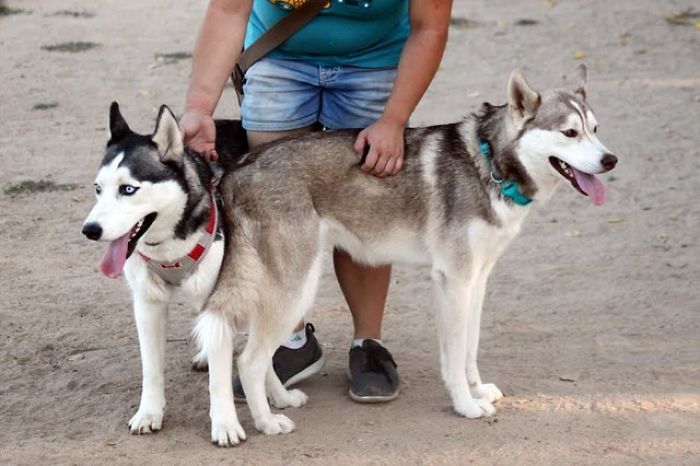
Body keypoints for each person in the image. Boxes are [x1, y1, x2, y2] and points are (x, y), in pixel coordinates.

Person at [180, 0, 452, 402]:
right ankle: (290, 340)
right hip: (279, 56)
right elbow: (228, 9)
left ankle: (368, 344)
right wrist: (199, 108)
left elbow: (429, 27)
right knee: (276, 209)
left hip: (374, 62)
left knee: (365, 206)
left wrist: (393, 120)